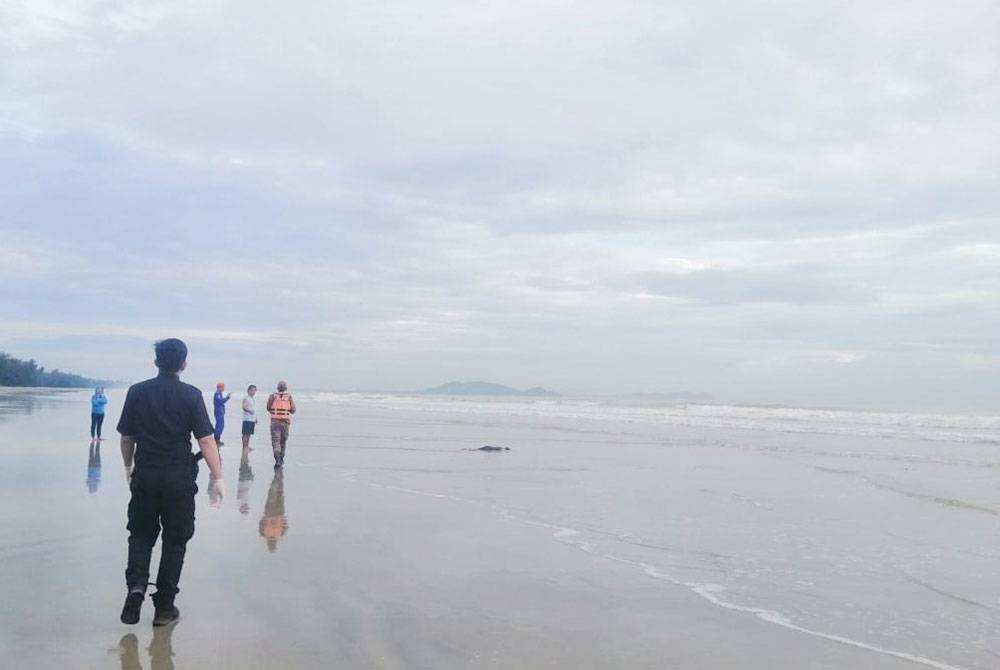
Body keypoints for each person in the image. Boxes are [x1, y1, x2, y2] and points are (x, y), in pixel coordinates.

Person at [117, 338, 224, 627]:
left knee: (140, 534)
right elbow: (205, 439)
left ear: (156, 363)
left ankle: (137, 587)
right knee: (175, 541)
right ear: (183, 364)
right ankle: (164, 608)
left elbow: (127, 438)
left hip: (146, 476)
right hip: (179, 479)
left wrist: (129, 467)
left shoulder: (137, 392)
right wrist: (219, 476)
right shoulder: (190, 395)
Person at [266, 381, 296, 469]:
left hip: (275, 422)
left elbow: (268, 407)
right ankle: (281, 458)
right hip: (285, 422)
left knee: (276, 441)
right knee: (283, 441)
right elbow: (293, 410)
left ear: (277, 388)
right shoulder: (289, 397)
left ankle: (277, 459)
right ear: (286, 388)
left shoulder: (272, 396)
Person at [241, 385, 257, 453]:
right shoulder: (246, 398)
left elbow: (254, 409)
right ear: (248, 390)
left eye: (254, 390)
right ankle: (244, 447)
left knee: (249, 434)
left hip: (252, 419)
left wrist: (256, 418)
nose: (253, 392)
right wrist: (249, 411)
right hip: (247, 419)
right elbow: (244, 407)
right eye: (252, 390)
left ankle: (247, 446)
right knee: (245, 434)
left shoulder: (252, 398)